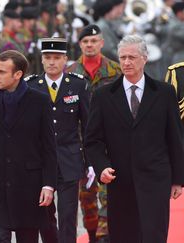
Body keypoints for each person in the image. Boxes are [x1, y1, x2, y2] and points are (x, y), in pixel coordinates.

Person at [84, 34, 184, 243]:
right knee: (123, 235)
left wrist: (177, 179)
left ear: (144, 58)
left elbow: (175, 138)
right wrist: (102, 166)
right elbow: (93, 140)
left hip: (155, 179)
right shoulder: (103, 95)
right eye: (122, 58)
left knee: (154, 235)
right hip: (119, 181)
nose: (126, 62)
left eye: (132, 57)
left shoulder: (164, 93)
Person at [0, 50, 57, 243]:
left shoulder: (39, 101)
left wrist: (48, 184)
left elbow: (49, 148)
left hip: (29, 186)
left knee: (28, 238)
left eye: (1, 72)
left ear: (18, 74)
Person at [27, 37, 89, 243]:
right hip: (40, 162)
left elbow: (87, 127)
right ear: (41, 60)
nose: (52, 62)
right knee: (44, 215)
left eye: (57, 57)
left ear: (65, 60)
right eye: (47, 57)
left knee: (68, 214)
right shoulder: (31, 86)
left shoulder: (78, 85)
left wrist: (90, 163)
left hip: (69, 159)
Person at [66, 24, 122, 243]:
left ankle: (103, 237)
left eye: (94, 41)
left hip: (108, 142)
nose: (90, 45)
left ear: (102, 43)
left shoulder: (115, 71)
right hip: (79, 145)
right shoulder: (70, 74)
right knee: (86, 199)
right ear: (80, 45)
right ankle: (92, 234)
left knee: (108, 194)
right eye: (85, 42)